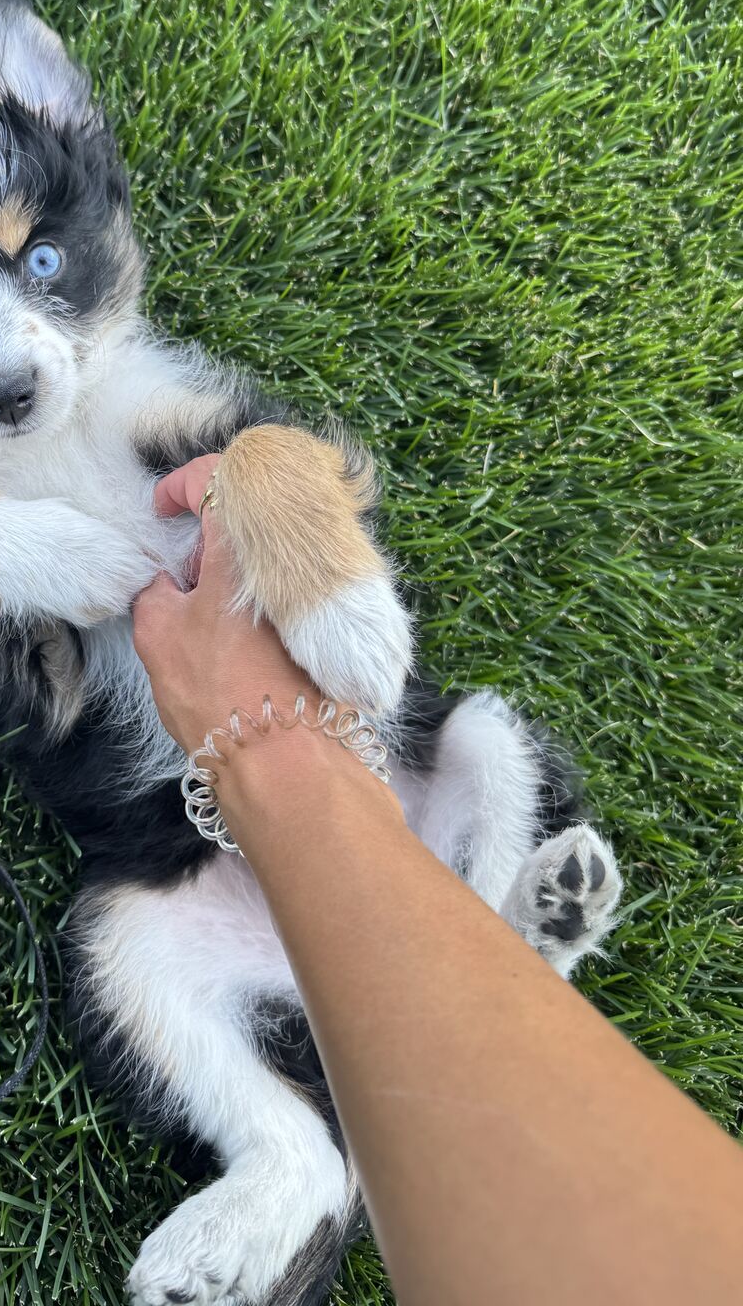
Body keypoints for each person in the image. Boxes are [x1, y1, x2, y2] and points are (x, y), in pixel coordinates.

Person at [131, 454, 743, 1306]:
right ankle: (291, 1153)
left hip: (387, 784)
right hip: (191, 871)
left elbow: (296, 473)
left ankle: (492, 941)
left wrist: (296, 549)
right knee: (122, 939)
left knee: (481, 739)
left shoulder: (175, 411)